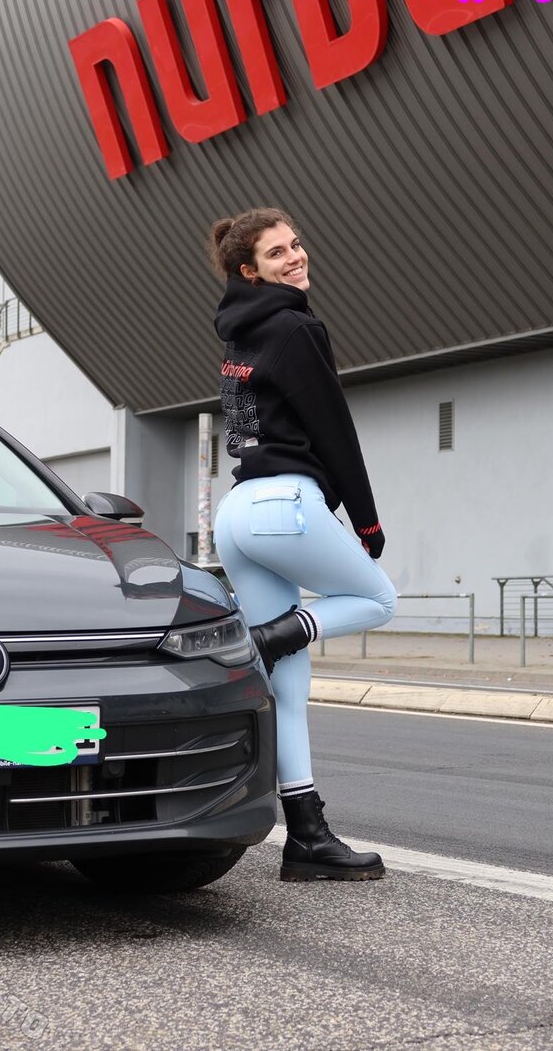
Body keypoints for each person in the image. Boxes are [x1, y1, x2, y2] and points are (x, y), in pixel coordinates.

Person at [209, 207, 397, 883]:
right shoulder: (295, 326)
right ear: (250, 270)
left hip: (237, 510)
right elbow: (332, 425)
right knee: (378, 599)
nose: (296, 257)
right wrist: (366, 521)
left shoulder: (239, 332)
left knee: (288, 691)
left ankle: (307, 837)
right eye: (277, 252)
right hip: (283, 505)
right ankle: (262, 639)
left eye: (296, 244)